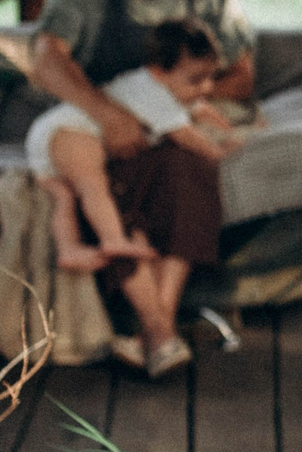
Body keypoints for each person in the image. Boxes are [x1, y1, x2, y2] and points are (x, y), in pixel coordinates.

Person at [27, 0, 254, 356]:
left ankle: (157, 327)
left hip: (163, 126)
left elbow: (242, 75)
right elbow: (45, 59)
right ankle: (160, 331)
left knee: (188, 166)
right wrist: (110, 114)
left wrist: (176, 101)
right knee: (107, 190)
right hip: (98, 126)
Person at [25, 20, 253, 376]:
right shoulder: (148, 91)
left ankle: (148, 335)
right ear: (159, 71)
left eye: (210, 79)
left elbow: (195, 110)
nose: (207, 88)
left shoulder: (160, 90)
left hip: (57, 140)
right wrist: (220, 149)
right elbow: (187, 135)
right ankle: (154, 319)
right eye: (196, 80)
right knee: (94, 187)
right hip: (67, 133)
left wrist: (222, 122)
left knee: (69, 198)